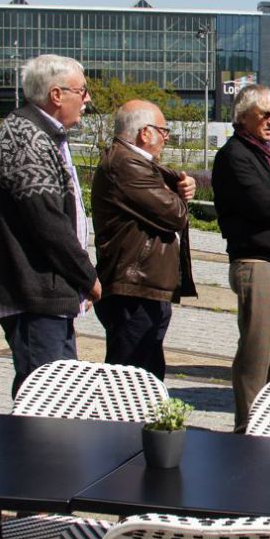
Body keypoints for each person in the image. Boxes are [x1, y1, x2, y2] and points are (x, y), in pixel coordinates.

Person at [0, 54, 101, 396]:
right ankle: (31, 450)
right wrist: (88, 278)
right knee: (46, 397)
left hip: (49, 292)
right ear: (57, 94)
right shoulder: (26, 136)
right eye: (83, 90)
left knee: (59, 396)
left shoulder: (44, 132)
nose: (88, 99)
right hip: (33, 295)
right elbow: (47, 222)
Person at [214, 85, 270, 431]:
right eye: (264, 114)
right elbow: (264, 205)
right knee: (257, 350)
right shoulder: (234, 155)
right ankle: (248, 426)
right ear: (243, 117)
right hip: (254, 260)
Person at [90, 100, 197, 380]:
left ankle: (139, 424)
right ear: (145, 132)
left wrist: (182, 184)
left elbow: (165, 187)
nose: (167, 137)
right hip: (133, 287)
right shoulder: (125, 164)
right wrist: (181, 196)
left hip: (144, 284)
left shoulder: (134, 161)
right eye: (164, 131)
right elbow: (175, 214)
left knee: (147, 375)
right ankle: (119, 427)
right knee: (129, 379)